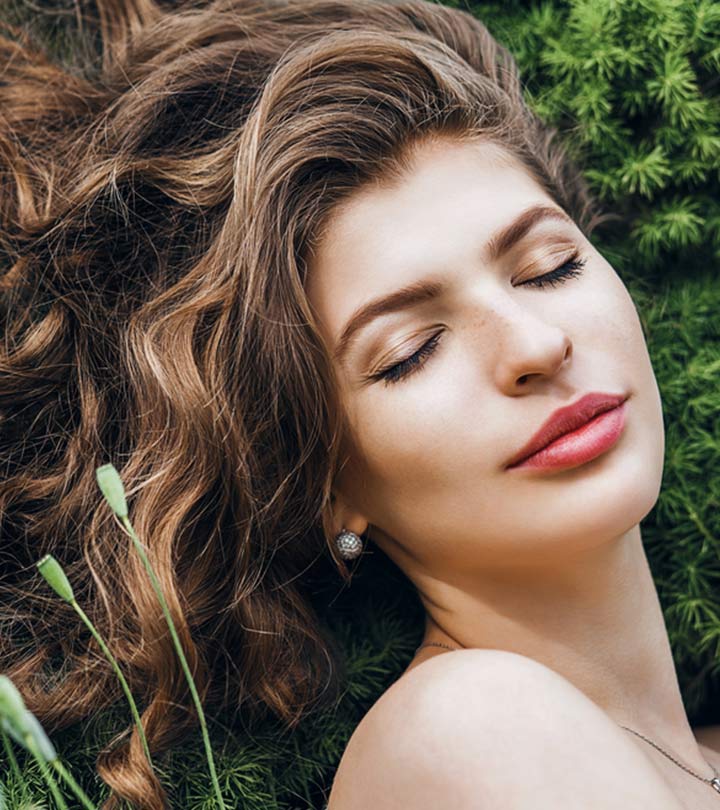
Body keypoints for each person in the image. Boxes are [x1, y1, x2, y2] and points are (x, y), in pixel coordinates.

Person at [0, 0, 716, 808]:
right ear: (321, 476)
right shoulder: (470, 732)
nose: (535, 345)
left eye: (549, 267)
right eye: (411, 351)